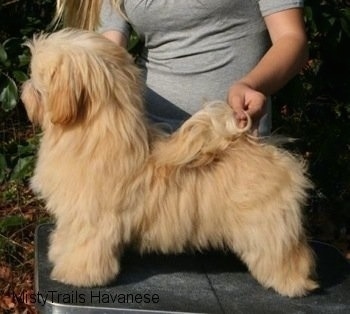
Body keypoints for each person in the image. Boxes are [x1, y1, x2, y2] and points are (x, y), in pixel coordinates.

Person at [55, 0, 308, 135]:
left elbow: (291, 40)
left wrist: (251, 85)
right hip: (148, 144)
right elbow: (108, 54)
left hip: (230, 140)